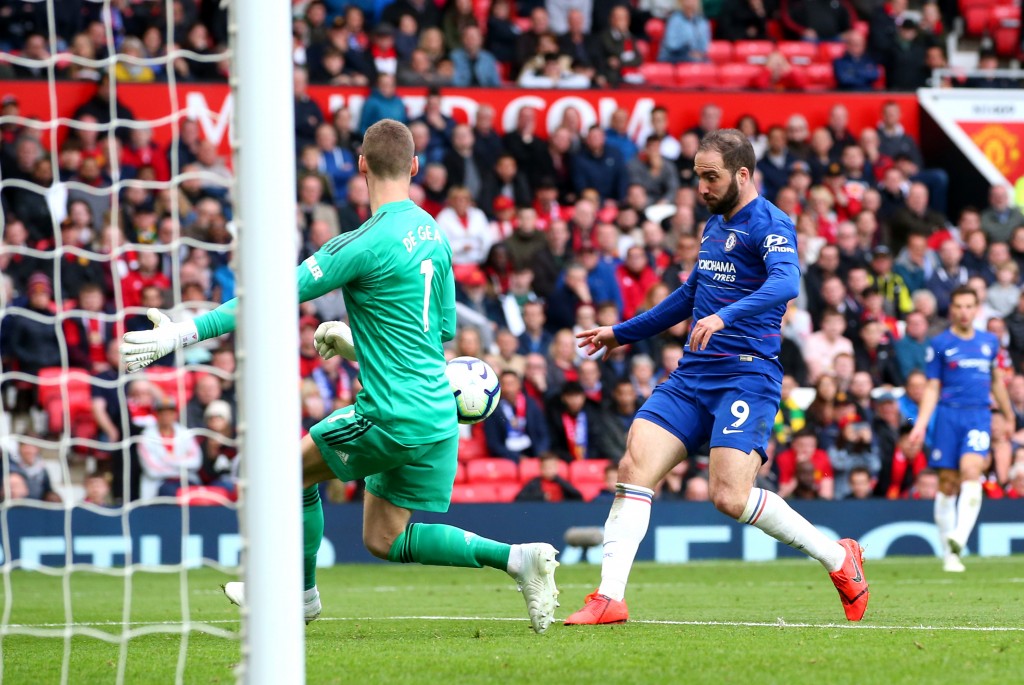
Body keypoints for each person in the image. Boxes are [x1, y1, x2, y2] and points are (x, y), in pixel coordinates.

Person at [120, 120, 560, 633]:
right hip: (438, 413)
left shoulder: (359, 243)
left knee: (281, 475)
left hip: (393, 412)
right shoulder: (436, 236)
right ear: (415, 167)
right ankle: (518, 559)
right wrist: (357, 346)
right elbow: (434, 336)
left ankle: (296, 595)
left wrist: (182, 333)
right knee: (384, 539)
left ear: (361, 166)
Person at [565, 129, 868, 626]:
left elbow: (786, 282)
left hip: (747, 376)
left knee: (728, 497)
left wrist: (726, 317)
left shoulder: (771, 222)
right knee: (633, 466)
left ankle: (839, 559)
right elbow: (689, 295)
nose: (702, 187)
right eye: (698, 177)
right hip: (693, 377)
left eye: (712, 177)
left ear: (742, 175)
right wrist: (622, 333)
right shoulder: (714, 225)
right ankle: (609, 598)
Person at [907, 285, 1014, 573]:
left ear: (976, 309)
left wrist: (1008, 413)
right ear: (952, 309)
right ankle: (949, 554)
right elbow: (931, 387)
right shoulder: (939, 342)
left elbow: (995, 381)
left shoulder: (989, 341)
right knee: (948, 484)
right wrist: (920, 426)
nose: (964, 312)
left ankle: (959, 536)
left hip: (978, 416)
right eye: (959, 306)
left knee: (971, 470)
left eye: (969, 306)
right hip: (948, 417)